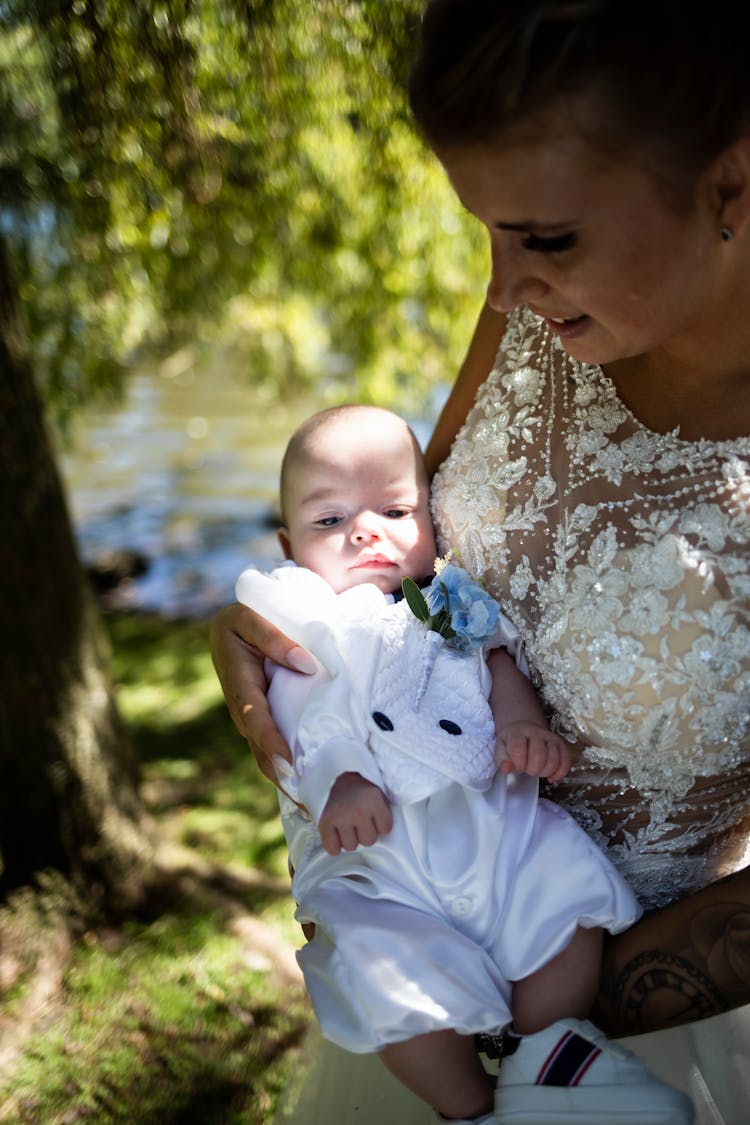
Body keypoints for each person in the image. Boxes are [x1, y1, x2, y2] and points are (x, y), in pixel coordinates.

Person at [210, 2, 750, 1122]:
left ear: (733, 184)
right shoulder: (549, 317)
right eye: (487, 236)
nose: (501, 290)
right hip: (414, 949)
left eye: (544, 238)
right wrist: (279, 622)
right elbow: (424, 550)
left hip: (639, 1036)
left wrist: (543, 994)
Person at [234, 403, 691, 1125]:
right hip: (381, 859)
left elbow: (495, 663)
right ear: (290, 547)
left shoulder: (450, 601)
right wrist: (343, 779)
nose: (364, 530)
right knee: (394, 984)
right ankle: (468, 1107)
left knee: (563, 898)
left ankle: (543, 1052)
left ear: (432, 522)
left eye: (393, 508)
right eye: (329, 521)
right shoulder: (307, 621)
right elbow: (305, 719)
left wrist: (520, 724)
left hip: (486, 825)